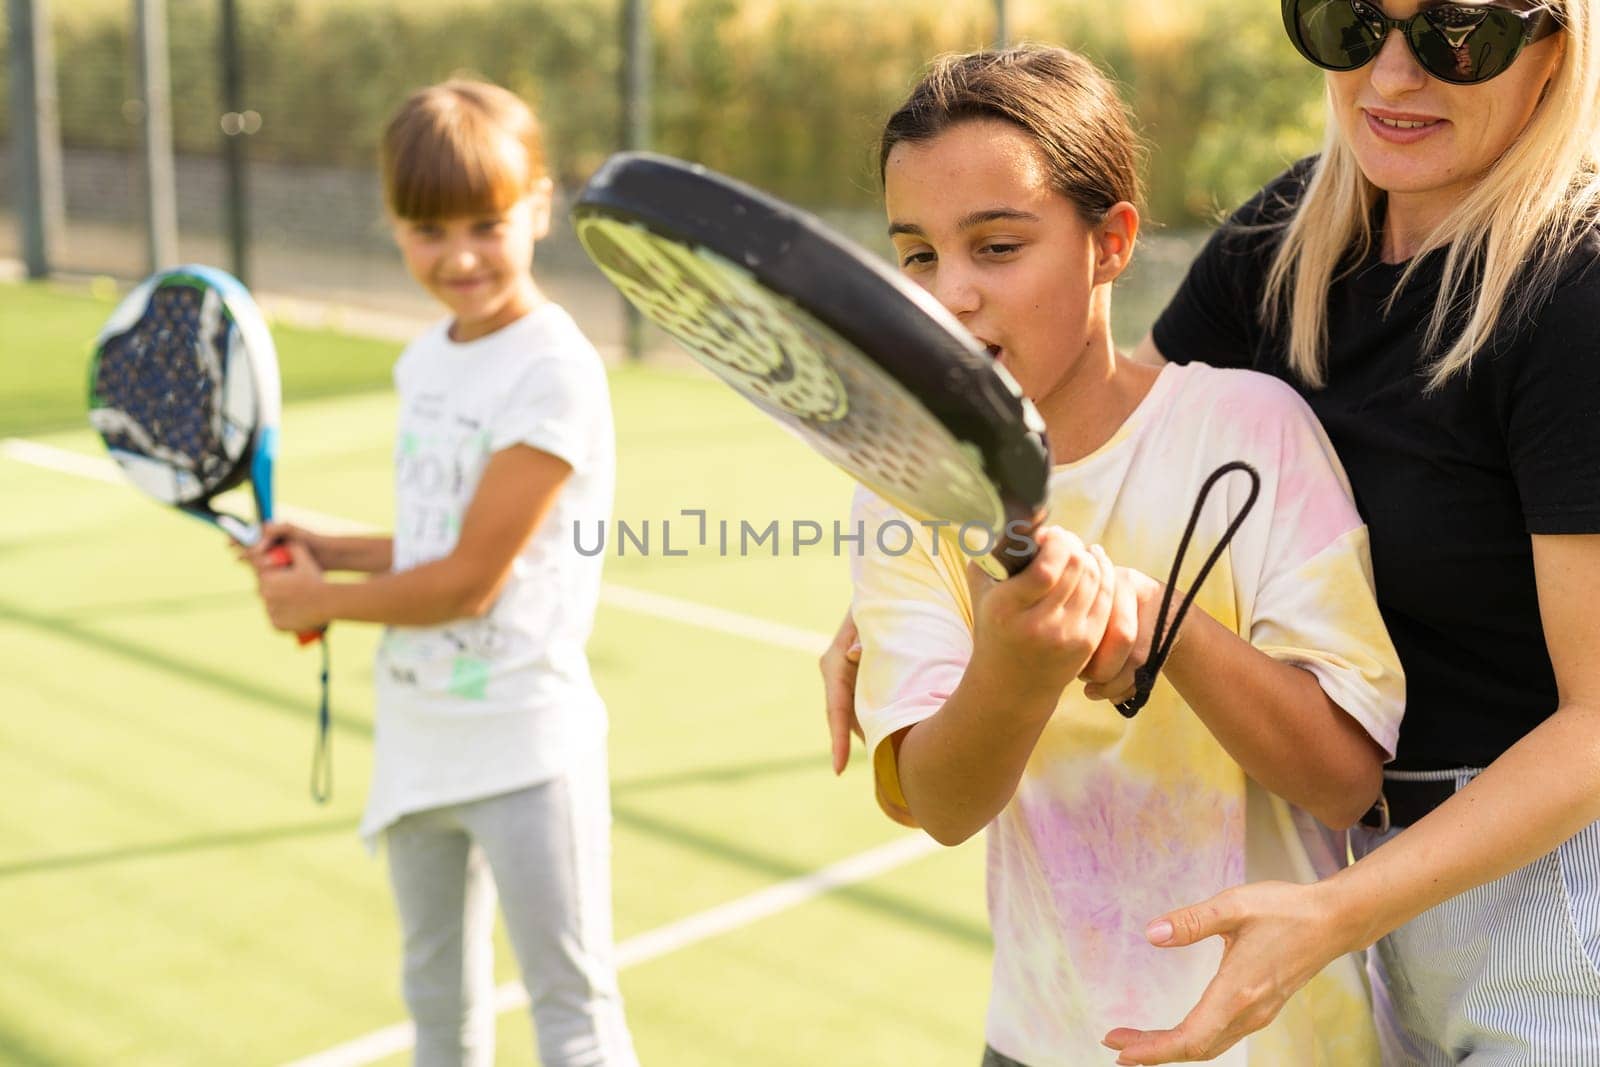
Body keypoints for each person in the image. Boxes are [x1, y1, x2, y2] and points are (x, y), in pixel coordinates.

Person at [827, 3, 1600, 1062]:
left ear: (1555, 42)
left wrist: (1338, 910)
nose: (1388, 75)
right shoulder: (1295, 230)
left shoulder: (1575, 287)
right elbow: (1082, 419)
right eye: (1346, 18)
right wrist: (904, 599)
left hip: (1534, 890)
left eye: (1451, 31)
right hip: (1361, 881)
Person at [847, 45, 1404, 1066]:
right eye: (918, 255)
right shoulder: (902, 484)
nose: (952, 293)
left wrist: (1160, 627)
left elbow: (1343, 778)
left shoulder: (1246, 429)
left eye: (998, 246)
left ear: (1110, 243)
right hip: (1040, 1039)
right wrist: (1012, 671)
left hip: (1283, 1041)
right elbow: (942, 803)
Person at [246, 80, 639, 1067]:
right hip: (419, 735)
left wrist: (318, 601)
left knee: (571, 1009)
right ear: (393, 225)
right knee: (437, 1000)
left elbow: (470, 578)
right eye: (428, 230)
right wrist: (331, 546)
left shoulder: (553, 368)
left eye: (486, 222)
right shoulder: (425, 358)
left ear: (540, 207)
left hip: (521, 743)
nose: (458, 255)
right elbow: (438, 536)